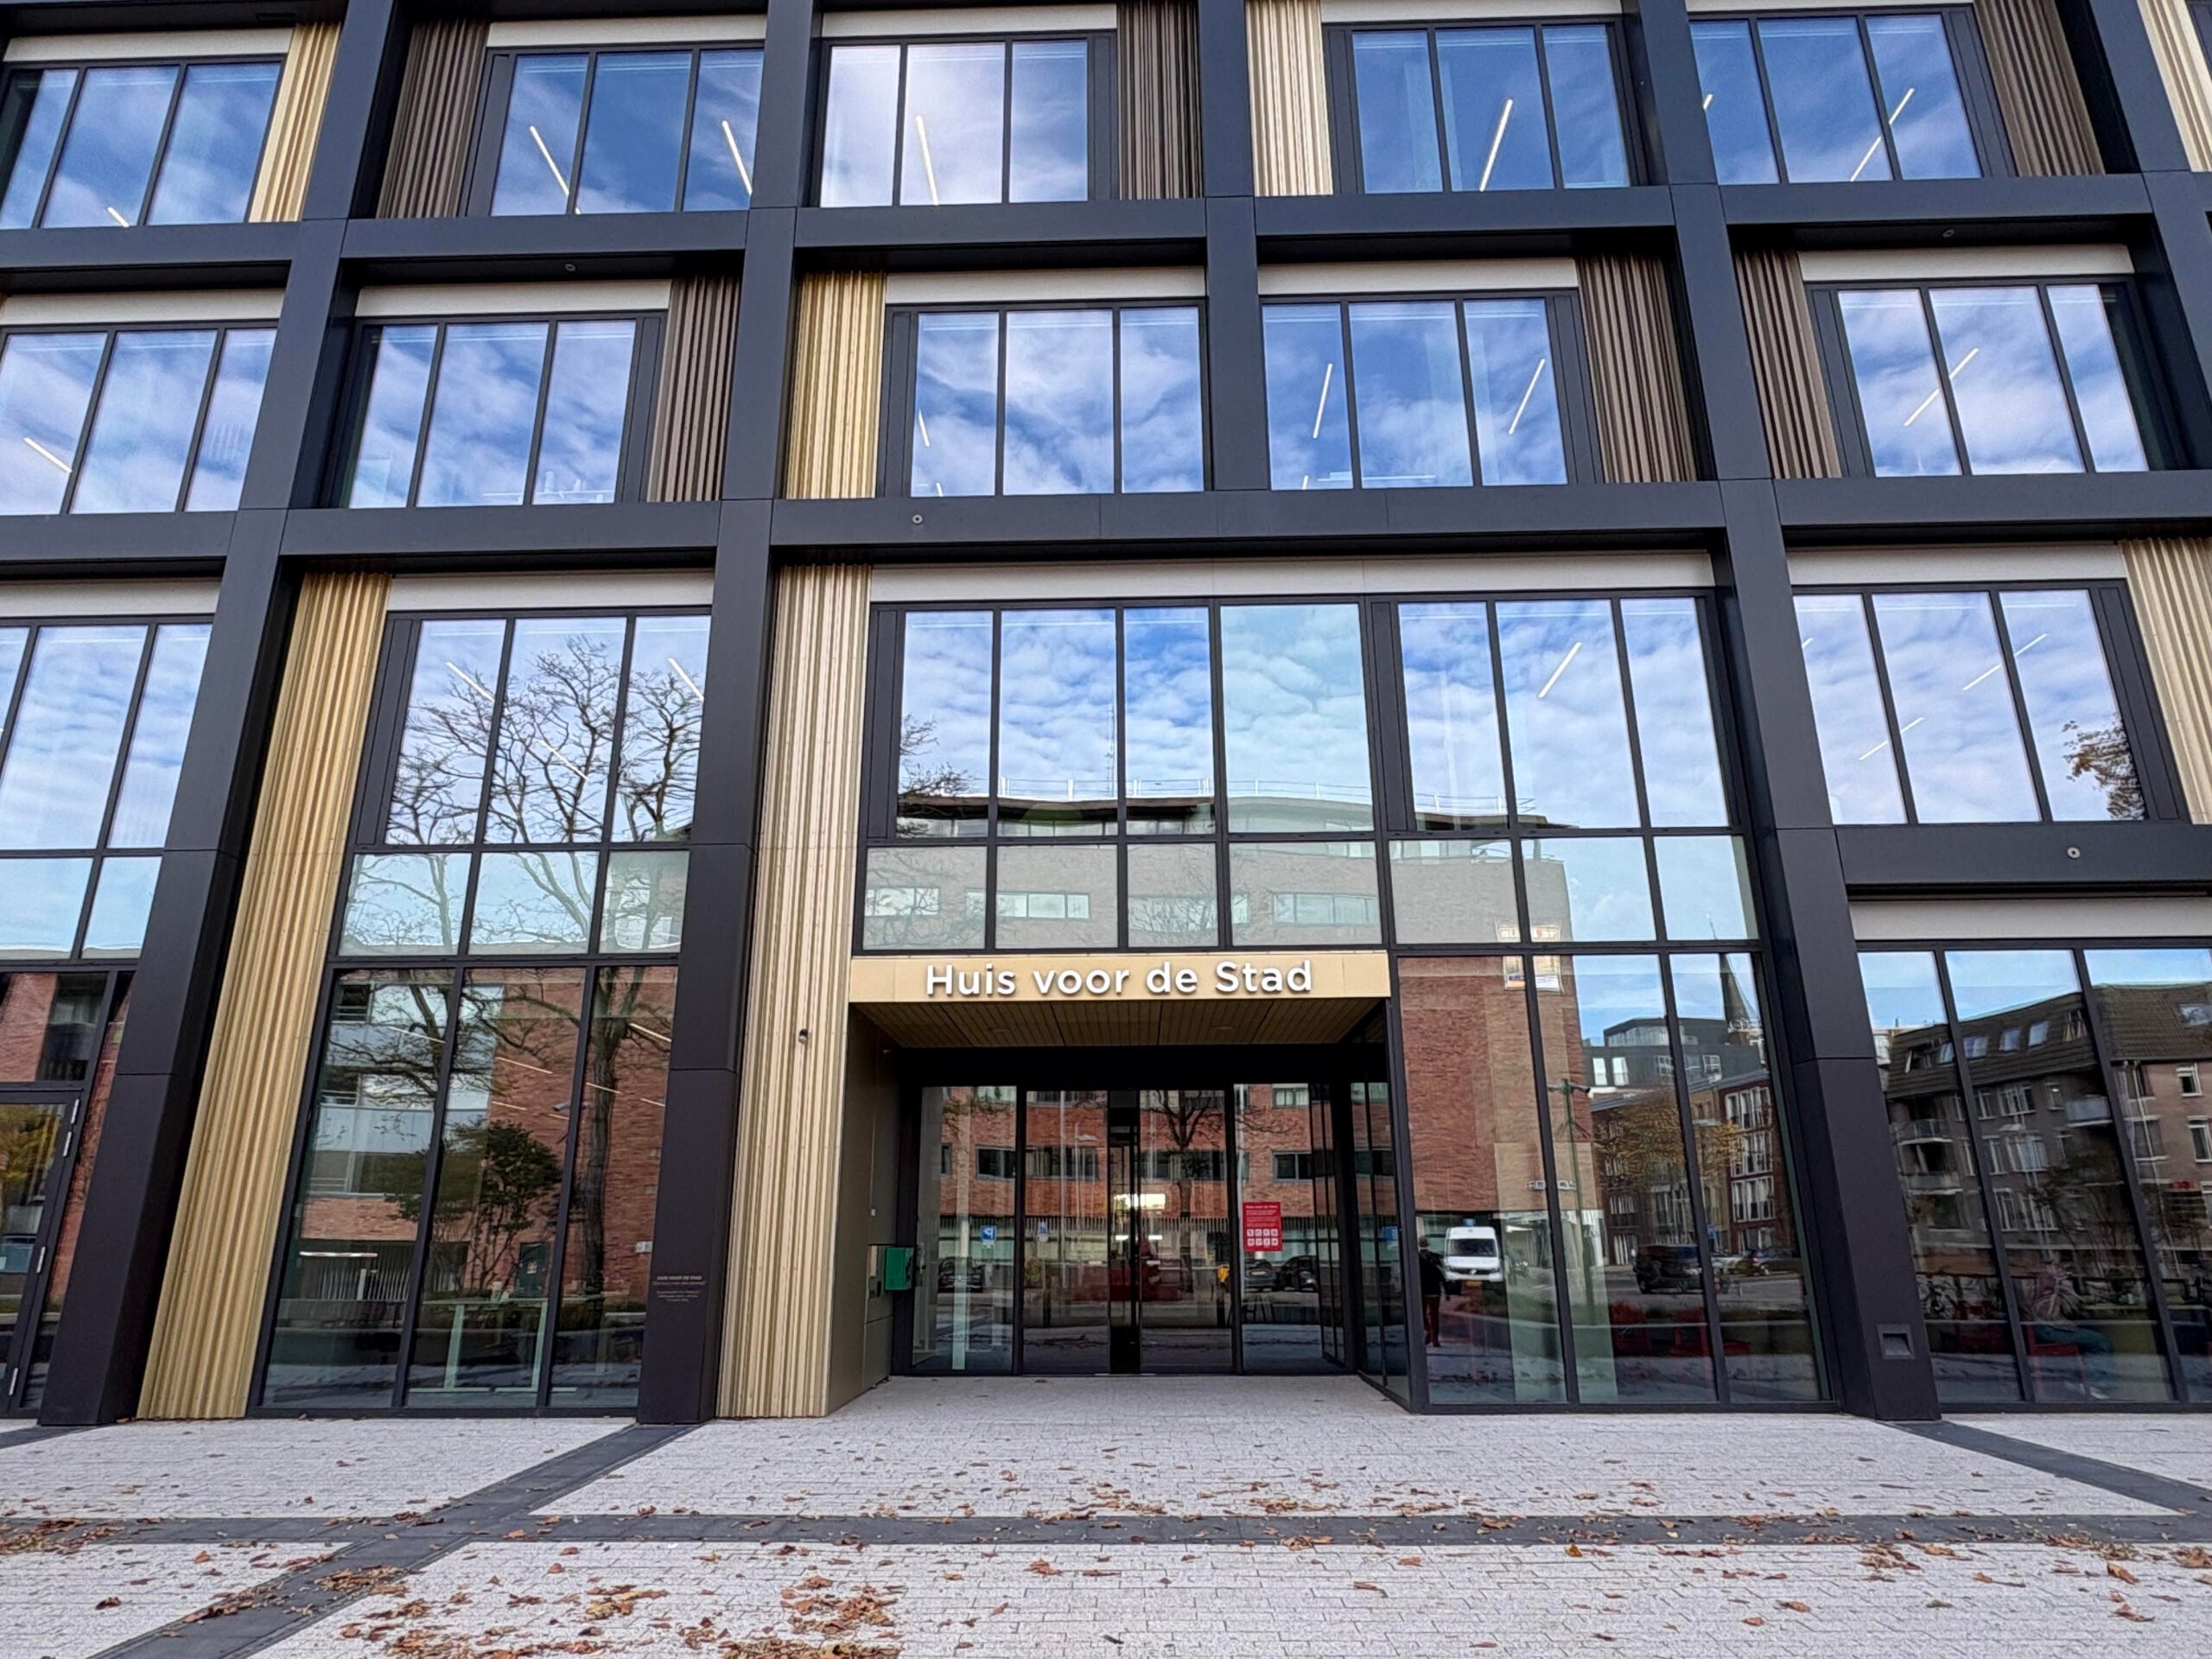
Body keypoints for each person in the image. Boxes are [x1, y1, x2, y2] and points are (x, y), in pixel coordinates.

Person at [2025, 1260, 2118, 1400]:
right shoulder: (2035, 1290)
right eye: (2052, 1275)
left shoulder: (2047, 1289)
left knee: (2090, 1334)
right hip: (2045, 1330)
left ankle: (2078, 1377)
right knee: (2099, 1341)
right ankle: (2094, 1382)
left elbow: (2073, 1305)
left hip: (2051, 1327)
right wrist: (2058, 1287)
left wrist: (2063, 1287)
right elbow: (2046, 1314)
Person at [1418, 1245, 1446, 1348]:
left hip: (1427, 1291)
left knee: (1430, 1315)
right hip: (1430, 1291)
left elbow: (1441, 1275)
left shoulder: (1419, 1259)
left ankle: (1432, 1335)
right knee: (1432, 1315)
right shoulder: (1433, 1258)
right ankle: (1432, 1335)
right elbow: (1441, 1275)